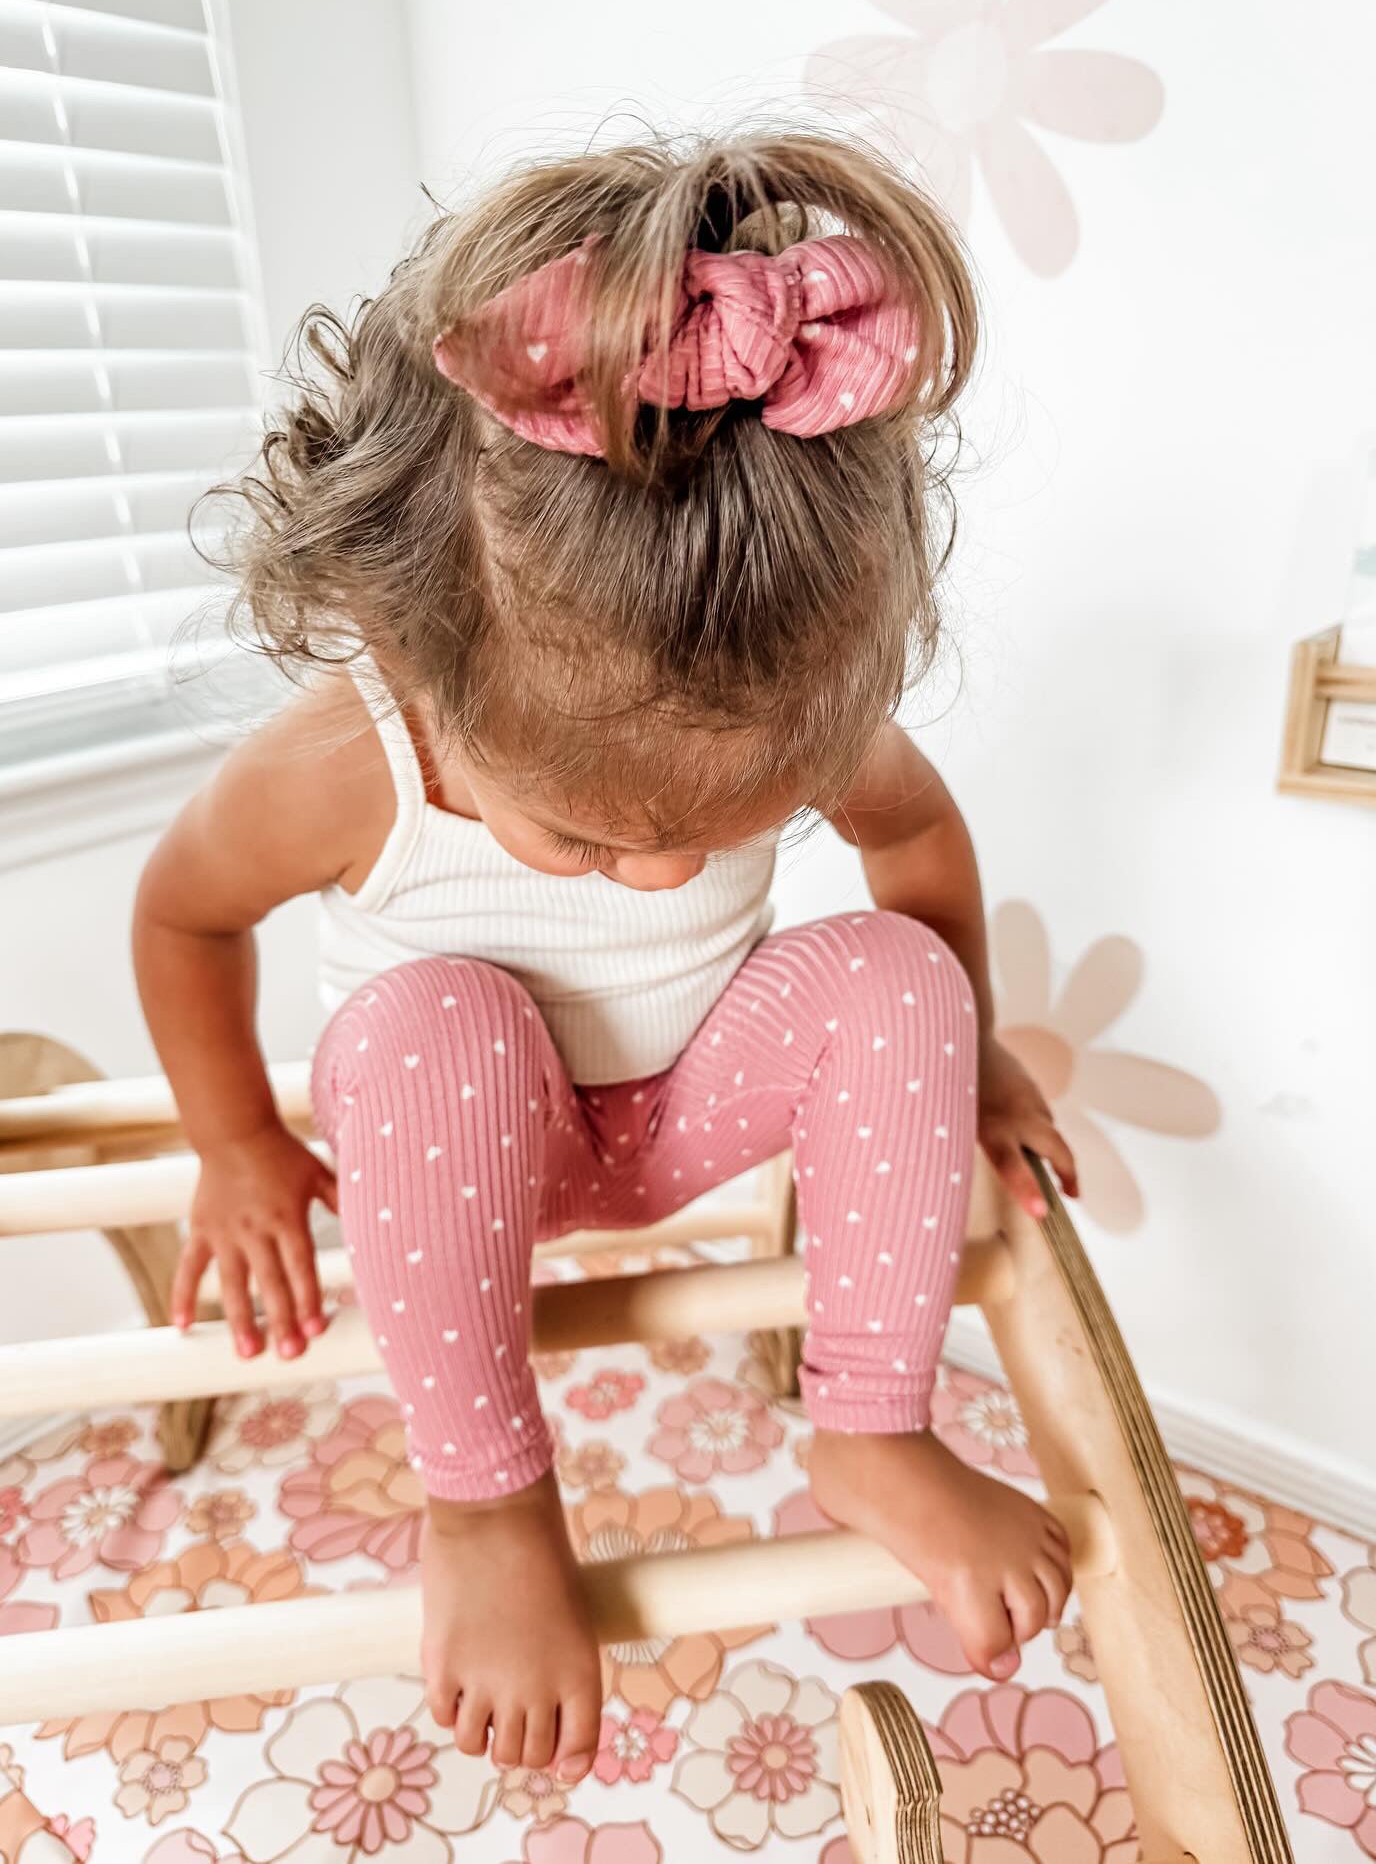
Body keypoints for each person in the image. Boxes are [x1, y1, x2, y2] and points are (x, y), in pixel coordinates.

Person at [134, 129, 1080, 1787]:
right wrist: (232, 1141)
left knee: (894, 976)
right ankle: (489, 1501)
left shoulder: (776, 693)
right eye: (580, 839)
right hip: (462, 1146)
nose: (653, 870)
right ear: (423, 662)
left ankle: (873, 1425)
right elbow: (185, 912)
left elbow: (915, 848)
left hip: (696, 1100)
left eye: (722, 831)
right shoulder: (354, 752)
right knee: (440, 1018)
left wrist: (970, 1051)